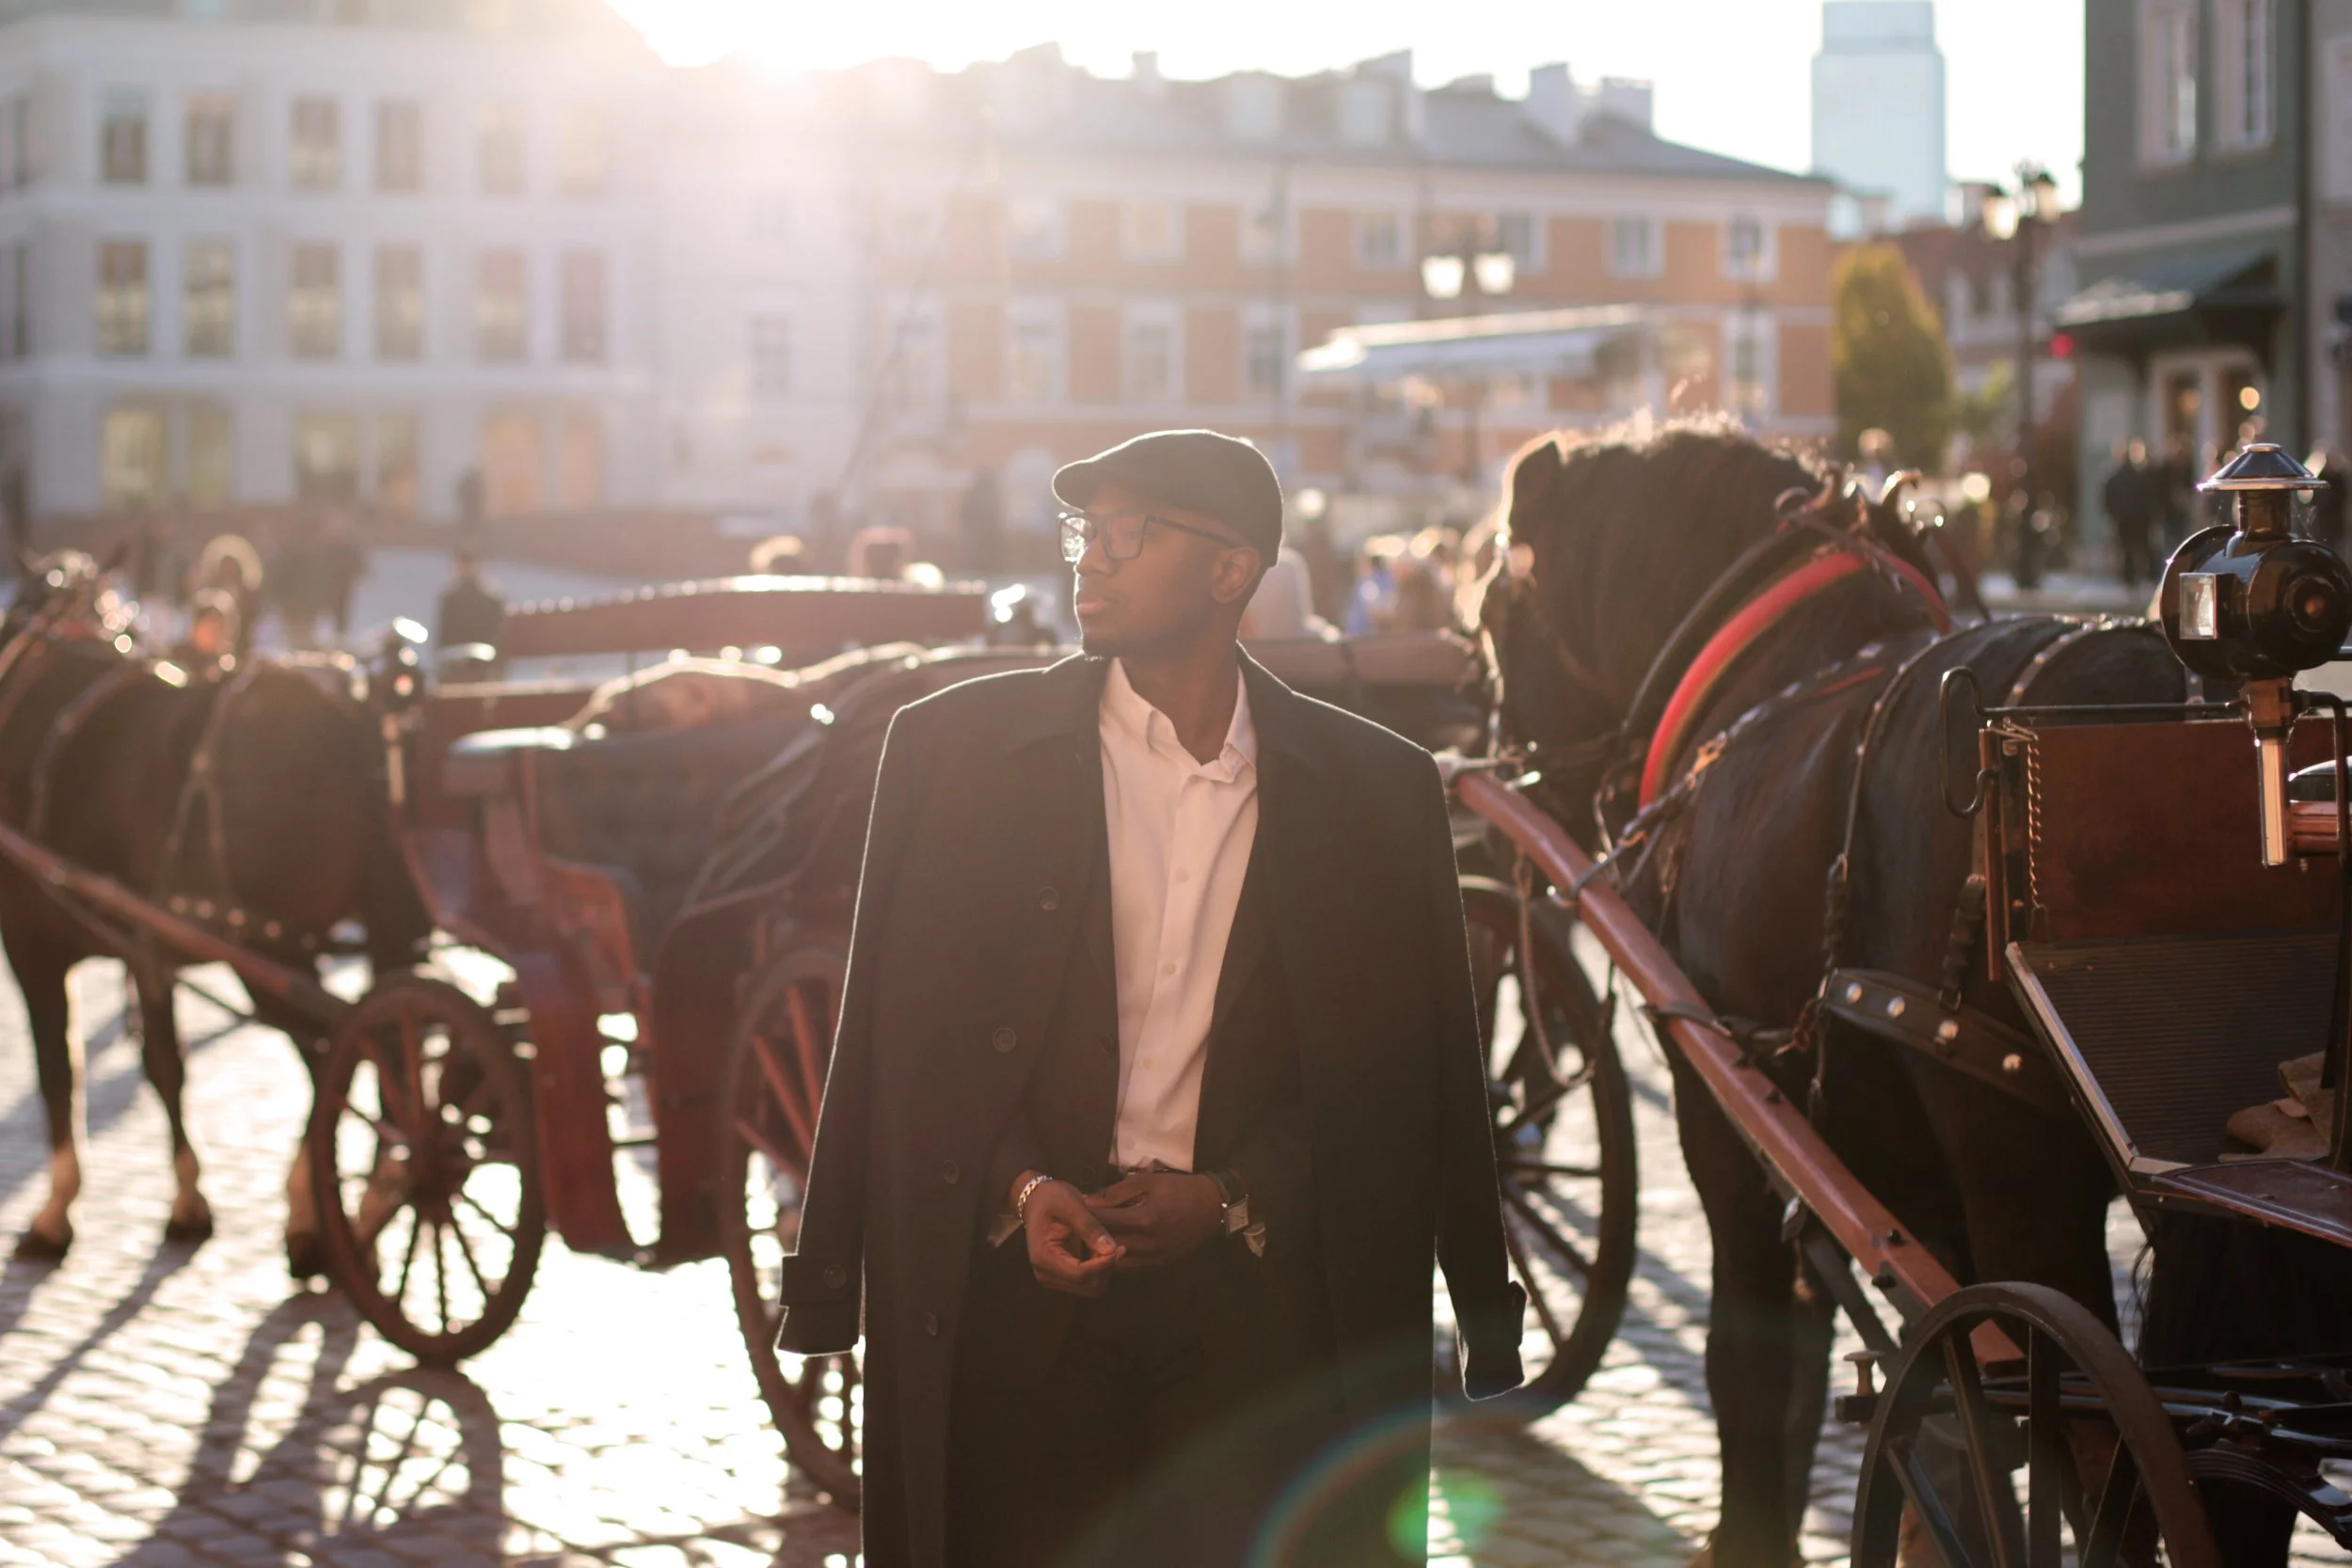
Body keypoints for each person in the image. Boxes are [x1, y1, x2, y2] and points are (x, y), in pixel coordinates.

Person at [775, 428, 1523, 1568]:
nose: (1090, 559)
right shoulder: (952, 756)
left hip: (1255, 1336)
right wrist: (1020, 1187)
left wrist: (1232, 1194)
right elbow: (901, 1045)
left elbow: (1401, 1089)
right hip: (1016, 1328)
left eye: (1127, 533)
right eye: (1083, 531)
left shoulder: (1375, 794)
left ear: (1231, 571)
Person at [2103, 439, 2158, 587]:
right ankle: (2150, 576)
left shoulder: (2114, 478)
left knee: (2127, 549)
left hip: (2123, 519)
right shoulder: (2139, 476)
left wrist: (2113, 515)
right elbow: (2148, 498)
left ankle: (2130, 578)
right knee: (2144, 547)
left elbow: (2107, 500)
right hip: (2140, 519)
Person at [435, 548, 506, 653]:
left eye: (469, 563)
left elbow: (498, 635)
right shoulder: (450, 599)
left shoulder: (491, 599)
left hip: (483, 659)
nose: (465, 568)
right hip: (454, 658)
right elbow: (443, 636)